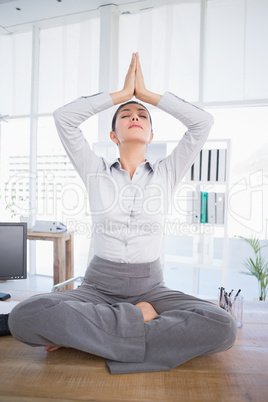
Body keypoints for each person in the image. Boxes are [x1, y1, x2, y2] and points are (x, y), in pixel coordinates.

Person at [6, 53, 237, 374]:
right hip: (97, 287)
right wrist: (120, 94)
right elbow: (64, 117)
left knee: (222, 325)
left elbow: (202, 123)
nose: (135, 115)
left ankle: (90, 337)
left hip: (152, 289)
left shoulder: (167, 172)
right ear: (113, 135)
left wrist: (147, 95)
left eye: (142, 114)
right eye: (126, 114)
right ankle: (134, 322)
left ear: (152, 135)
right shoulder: (95, 170)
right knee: (24, 316)